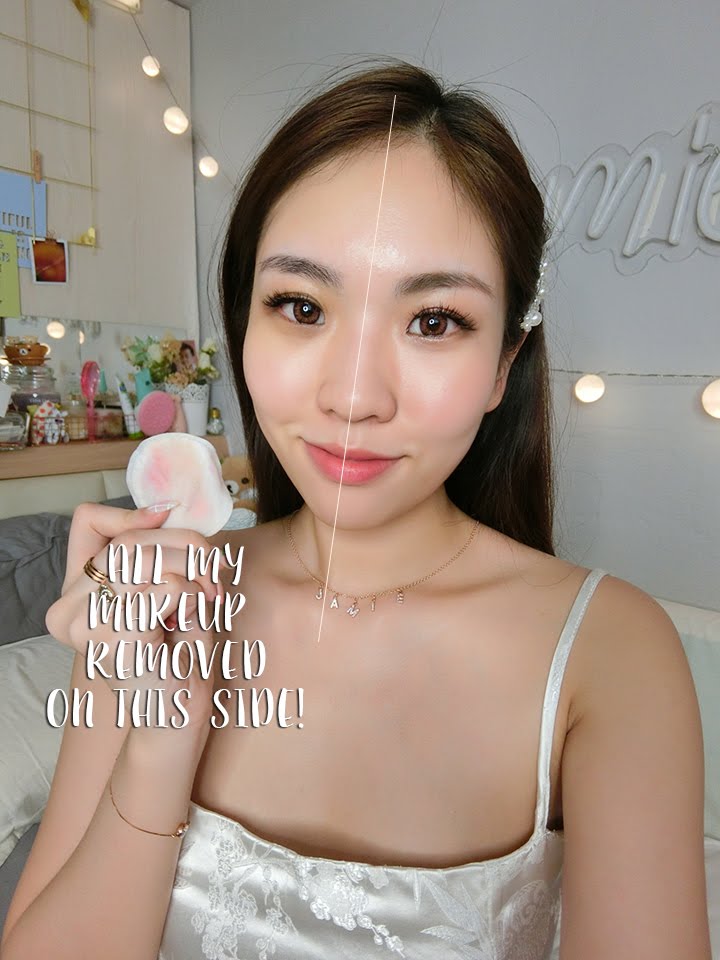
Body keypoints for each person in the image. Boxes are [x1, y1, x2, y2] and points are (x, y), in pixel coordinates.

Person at [1, 62, 711, 960]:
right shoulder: (162, 605)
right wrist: (156, 750)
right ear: (244, 323)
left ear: (504, 363)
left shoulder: (610, 654)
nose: (354, 396)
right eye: (301, 306)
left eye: (434, 321)